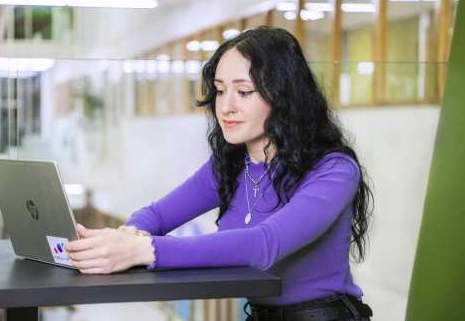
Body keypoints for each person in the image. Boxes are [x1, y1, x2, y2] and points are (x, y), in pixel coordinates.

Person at [65, 26, 374, 321]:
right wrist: (126, 236)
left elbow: (264, 245)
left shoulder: (334, 170)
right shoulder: (229, 164)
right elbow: (156, 215)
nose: (226, 107)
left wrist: (142, 250)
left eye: (244, 91)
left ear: (284, 97)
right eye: (220, 90)